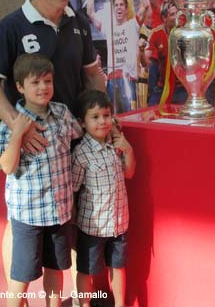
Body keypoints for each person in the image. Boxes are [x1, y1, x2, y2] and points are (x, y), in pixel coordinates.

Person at [0, 0, 105, 306]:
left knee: (62, 221)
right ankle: (15, 297)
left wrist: (98, 118)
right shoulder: (12, 25)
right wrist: (20, 125)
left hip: (68, 134)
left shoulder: (78, 23)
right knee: (21, 220)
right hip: (28, 139)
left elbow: (93, 75)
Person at [0, 54, 81, 307]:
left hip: (60, 210)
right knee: (21, 276)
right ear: (20, 87)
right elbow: (7, 167)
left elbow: (79, 135)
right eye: (35, 82)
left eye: (48, 81)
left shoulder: (62, 113)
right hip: (28, 214)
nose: (43, 87)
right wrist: (18, 133)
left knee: (56, 270)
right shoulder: (9, 122)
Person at [72, 90, 136, 307]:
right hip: (93, 225)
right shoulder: (81, 154)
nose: (103, 121)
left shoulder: (116, 145)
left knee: (118, 266)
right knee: (86, 269)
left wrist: (128, 151)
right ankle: (84, 304)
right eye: (95, 117)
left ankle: (120, 304)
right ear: (82, 123)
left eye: (107, 115)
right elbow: (73, 187)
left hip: (119, 222)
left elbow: (129, 174)